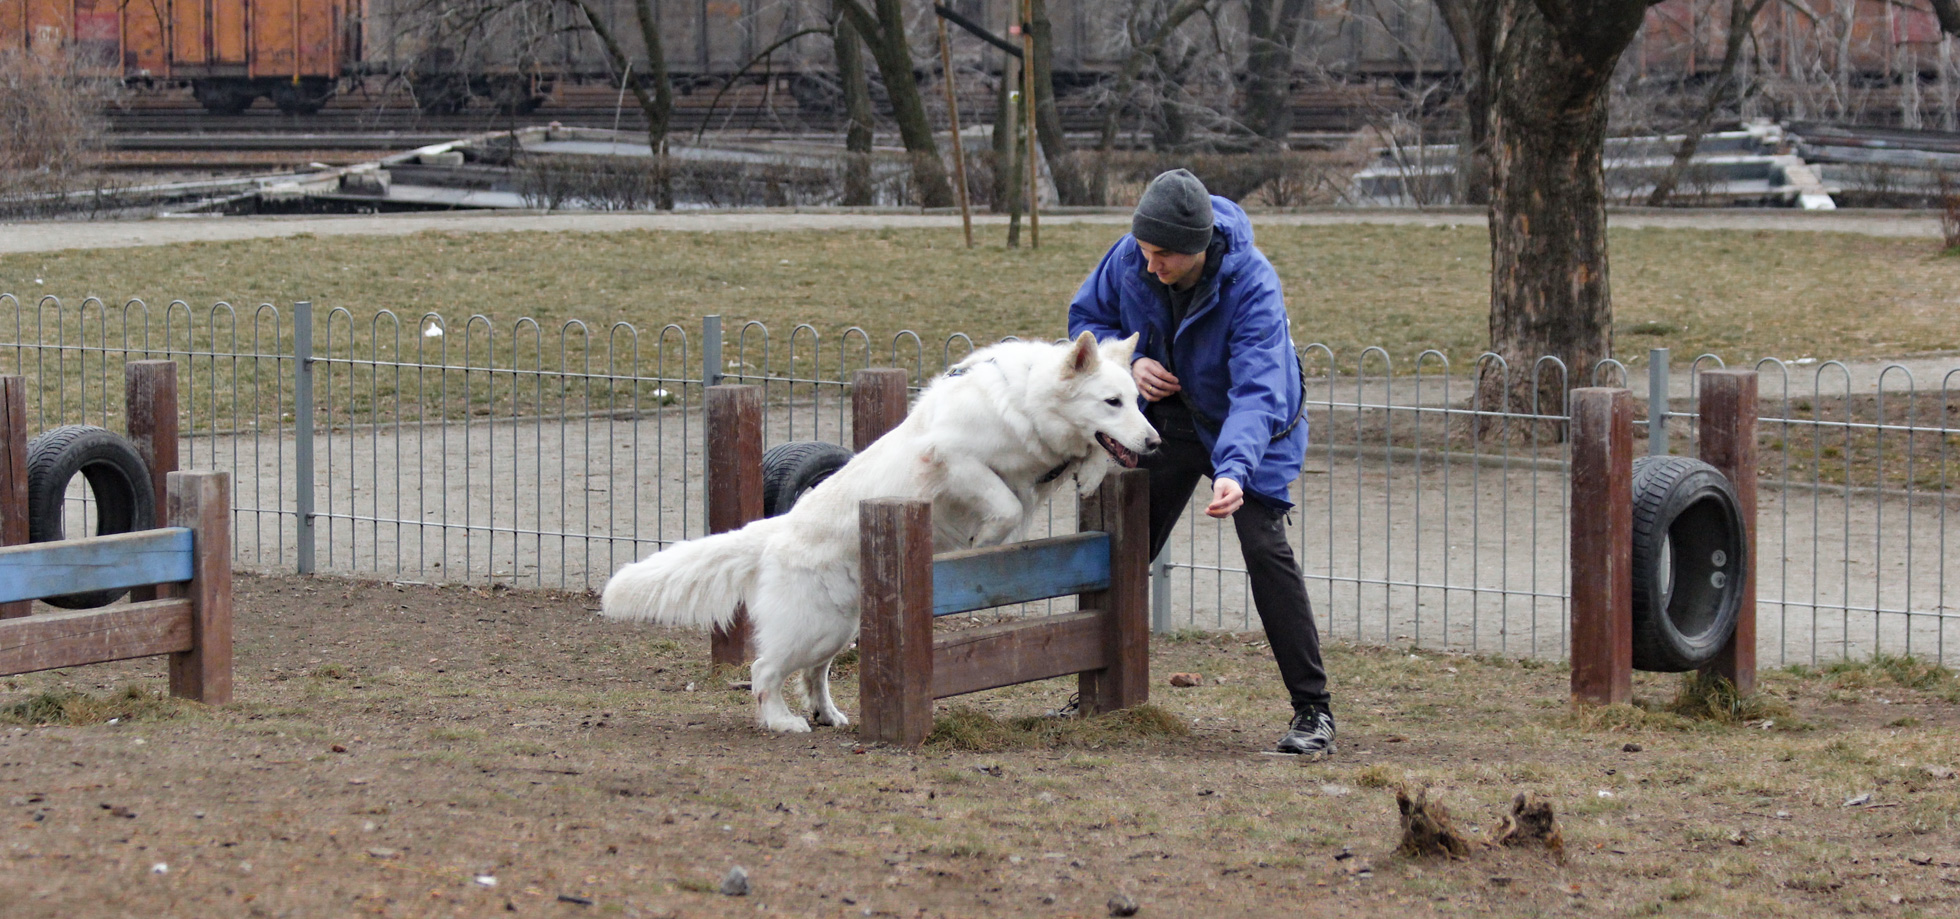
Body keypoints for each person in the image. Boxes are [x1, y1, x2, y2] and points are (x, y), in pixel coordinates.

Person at [1067, 168, 1335, 756]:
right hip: (1167, 421)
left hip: (1253, 426)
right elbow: (1086, 321)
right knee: (1124, 541)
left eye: (1162, 255)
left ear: (1197, 248)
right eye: (1143, 250)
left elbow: (1259, 391)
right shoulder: (1131, 255)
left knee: (1264, 548)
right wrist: (1126, 367)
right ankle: (1097, 690)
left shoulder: (1254, 286)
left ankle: (1313, 711)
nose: (1148, 265)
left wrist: (1235, 469)